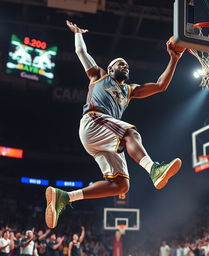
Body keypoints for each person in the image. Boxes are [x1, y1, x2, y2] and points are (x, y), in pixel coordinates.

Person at [45, 20, 185, 229]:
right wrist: (77, 34)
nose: (125, 66)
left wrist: (173, 59)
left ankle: (65, 197)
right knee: (131, 133)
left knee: (121, 185)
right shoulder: (98, 76)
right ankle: (154, 169)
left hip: (104, 136)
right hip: (94, 122)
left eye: (127, 65)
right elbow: (81, 52)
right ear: (110, 68)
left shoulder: (129, 90)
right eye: (121, 63)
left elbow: (160, 86)